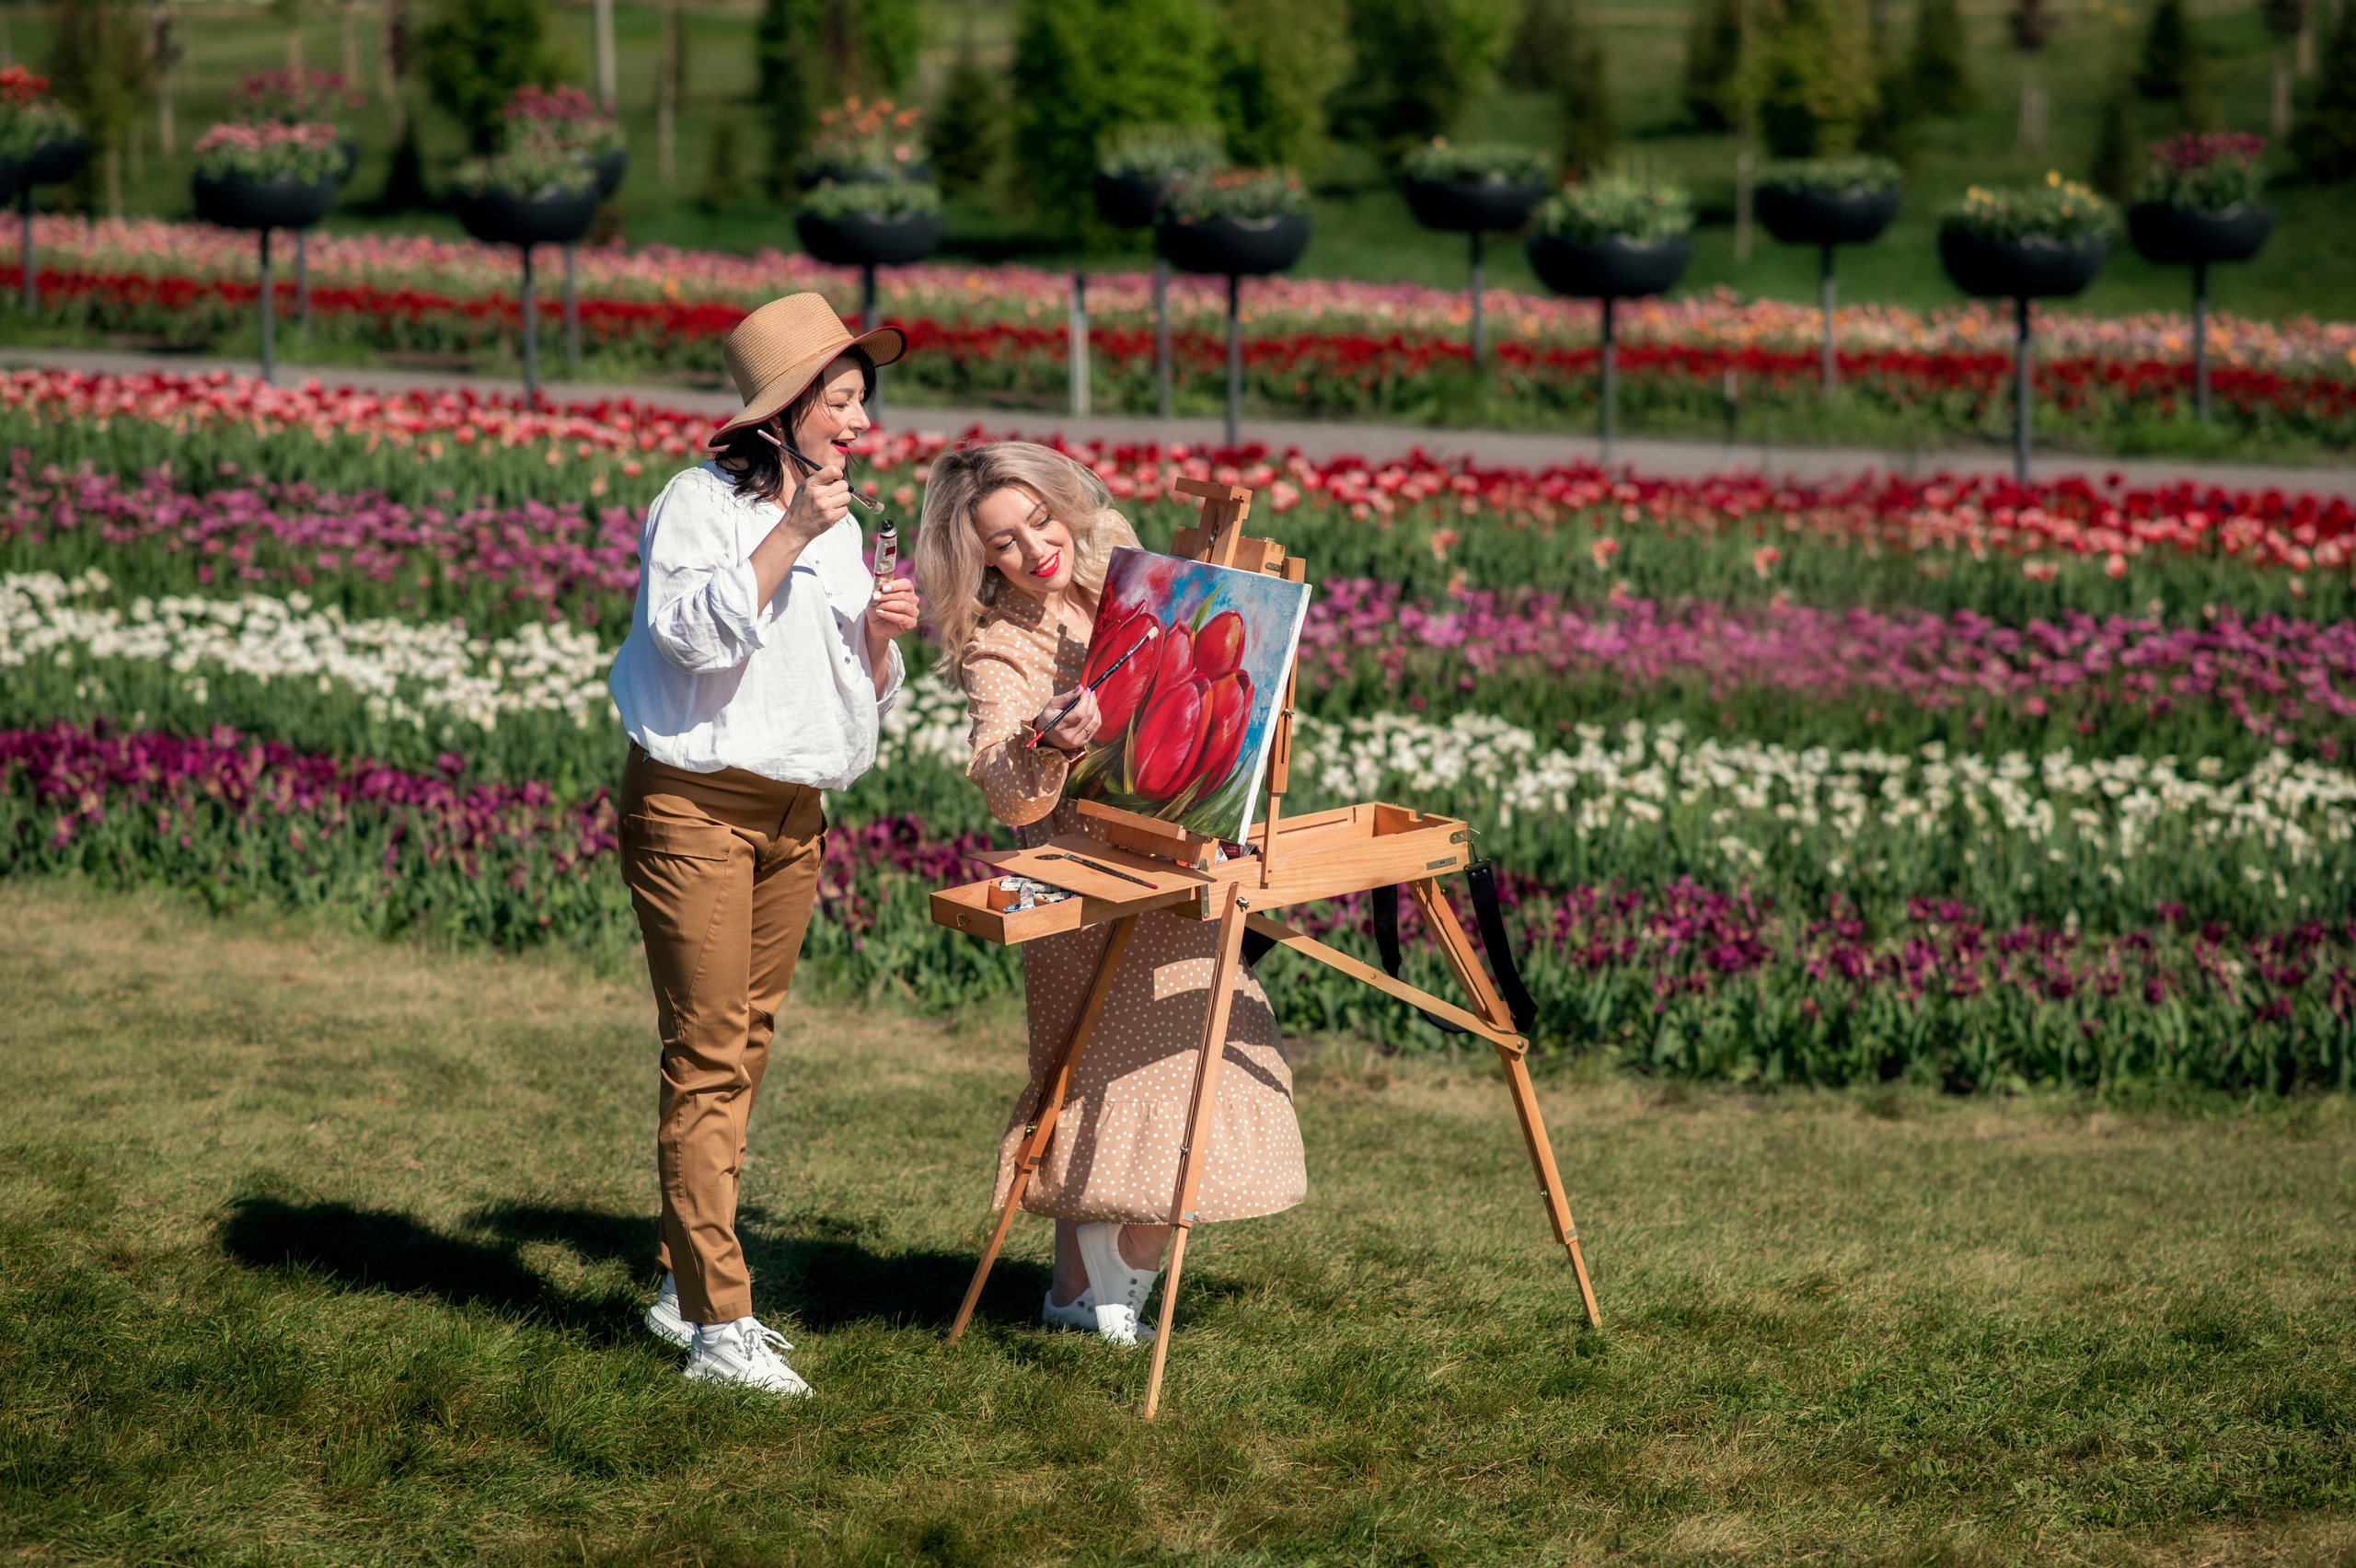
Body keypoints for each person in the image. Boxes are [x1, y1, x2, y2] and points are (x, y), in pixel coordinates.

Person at [912, 442, 1306, 1345]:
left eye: (1040, 520)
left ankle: (1091, 1288)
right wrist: (1050, 741)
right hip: (1085, 892)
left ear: (1066, 504)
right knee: (1102, 1099)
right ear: (979, 557)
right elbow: (1004, 785)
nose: (1034, 549)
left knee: (1207, 1070)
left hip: (1176, 865)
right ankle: (1102, 1288)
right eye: (1003, 542)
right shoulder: (999, 643)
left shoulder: (1129, 568)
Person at [609, 293, 921, 1397]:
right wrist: (793, 534)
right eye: (840, 401)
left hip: (795, 814)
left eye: (859, 404)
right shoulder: (701, 503)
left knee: (742, 1050)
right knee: (704, 1055)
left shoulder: (842, 519)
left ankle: (673, 1285)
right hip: (693, 806)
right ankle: (718, 1325)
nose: (859, 424)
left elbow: (836, 688)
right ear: (784, 409)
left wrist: (880, 639)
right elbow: (687, 638)